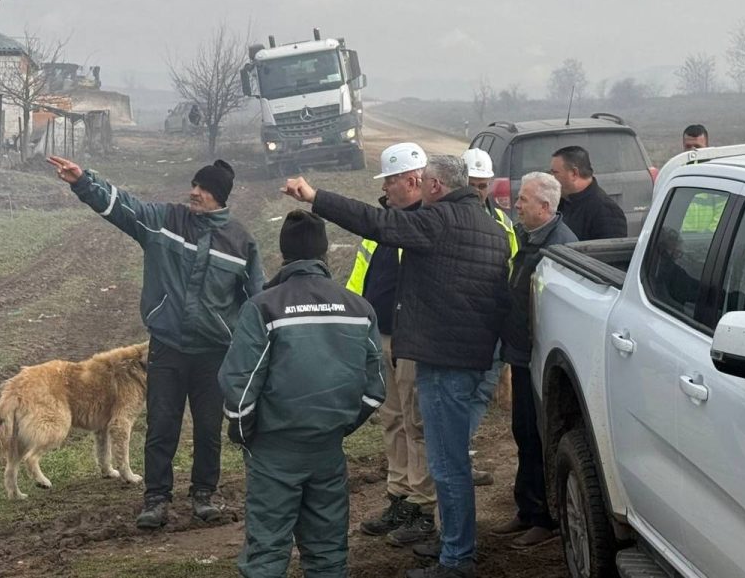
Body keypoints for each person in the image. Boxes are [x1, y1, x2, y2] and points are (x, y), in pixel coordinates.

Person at [283, 155, 510, 578]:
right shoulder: (489, 227)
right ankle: (453, 544)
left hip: (444, 361)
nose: (419, 189)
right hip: (469, 358)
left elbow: (378, 223)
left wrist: (316, 197)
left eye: (423, 183)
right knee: (449, 459)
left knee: (447, 465)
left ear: (437, 187)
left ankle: (457, 558)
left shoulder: (442, 220)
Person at [47, 155, 263, 529]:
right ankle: (156, 499)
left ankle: (203, 496)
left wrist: (245, 346)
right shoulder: (165, 221)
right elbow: (123, 207)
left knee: (209, 429)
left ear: (220, 196)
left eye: (203, 188)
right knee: (162, 426)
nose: (194, 192)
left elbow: (255, 301)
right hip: (167, 347)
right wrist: (83, 182)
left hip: (213, 353)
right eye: (194, 185)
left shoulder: (241, 241)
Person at [219, 210, 385, 578]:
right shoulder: (360, 309)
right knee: (327, 551)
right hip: (328, 450)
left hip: (274, 451)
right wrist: (337, 428)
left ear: (284, 255)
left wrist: (246, 435)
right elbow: (376, 389)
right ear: (324, 254)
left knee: (267, 551)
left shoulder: (263, 307)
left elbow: (240, 386)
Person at [348, 143, 438, 548]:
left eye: (390, 180)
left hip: (412, 340)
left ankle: (422, 504)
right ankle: (399, 494)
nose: (385, 188)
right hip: (382, 335)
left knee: (417, 424)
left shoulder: (426, 224)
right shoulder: (388, 222)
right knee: (393, 420)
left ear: (413, 180)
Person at [492, 172, 576, 550]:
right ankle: (526, 508)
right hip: (523, 354)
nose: (517, 205)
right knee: (523, 433)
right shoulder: (528, 239)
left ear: (545, 207)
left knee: (541, 436)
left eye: (524, 200)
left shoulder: (562, 248)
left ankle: (546, 517)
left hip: (544, 360)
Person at [461, 148, 518, 482]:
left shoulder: (502, 221)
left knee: (482, 390)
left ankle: (461, 455)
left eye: (483, 185)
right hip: (461, 323)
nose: (478, 192)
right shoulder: (445, 217)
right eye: (473, 184)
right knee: (457, 394)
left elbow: (511, 266)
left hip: (493, 321)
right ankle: (453, 460)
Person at [550, 145, 627, 241]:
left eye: (555, 173)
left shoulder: (606, 211)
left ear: (574, 173)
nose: (551, 178)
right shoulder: (561, 202)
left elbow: (609, 254)